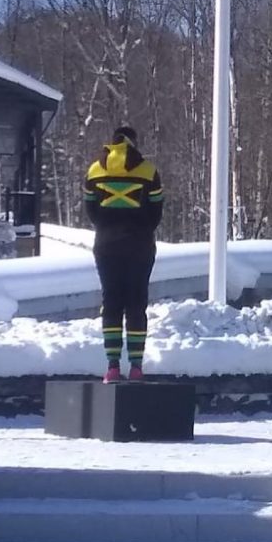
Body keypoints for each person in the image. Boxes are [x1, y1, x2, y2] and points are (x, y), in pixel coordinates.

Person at [84, 126, 164, 383]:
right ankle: (137, 367)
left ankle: (112, 367)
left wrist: (108, 227)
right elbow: (156, 212)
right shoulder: (148, 171)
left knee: (112, 303)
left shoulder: (95, 170)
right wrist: (139, 229)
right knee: (136, 304)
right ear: (134, 143)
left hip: (106, 245)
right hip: (140, 245)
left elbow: (91, 209)